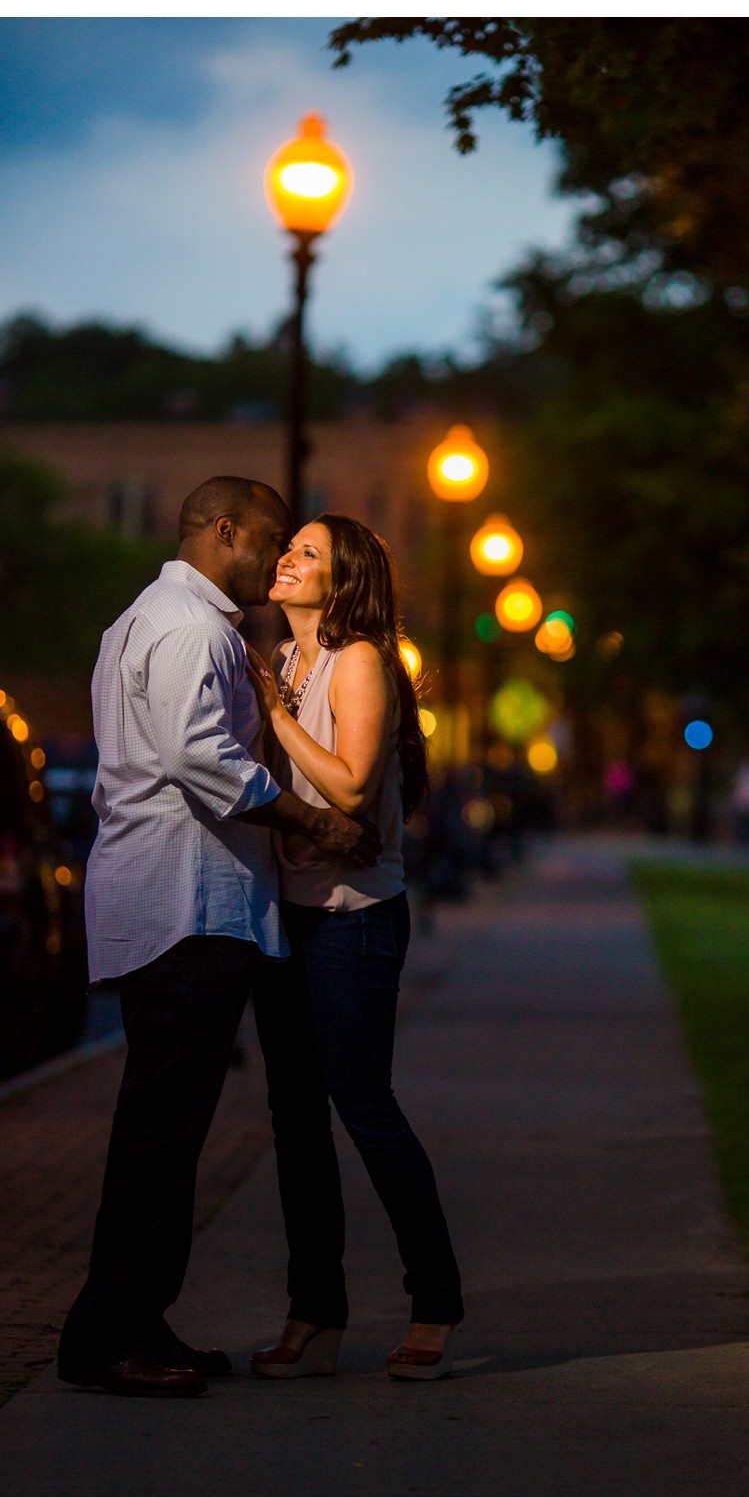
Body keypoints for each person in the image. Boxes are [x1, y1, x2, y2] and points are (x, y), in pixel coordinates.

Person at [57, 477, 378, 1399]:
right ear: (222, 531)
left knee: (168, 1125)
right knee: (161, 1130)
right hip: (186, 903)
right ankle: (104, 1337)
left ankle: (138, 1321)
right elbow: (204, 760)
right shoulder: (193, 628)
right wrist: (310, 824)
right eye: (270, 539)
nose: (277, 559)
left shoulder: (147, 617)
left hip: (177, 897)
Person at [246, 513, 465, 1382]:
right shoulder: (290, 661)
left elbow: (349, 781)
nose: (285, 559)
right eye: (287, 547)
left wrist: (269, 711)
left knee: (364, 1110)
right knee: (294, 1120)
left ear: (343, 581)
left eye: (307, 553)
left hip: (354, 919)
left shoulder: (358, 660)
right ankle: (315, 1314)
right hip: (287, 915)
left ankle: (435, 1303)